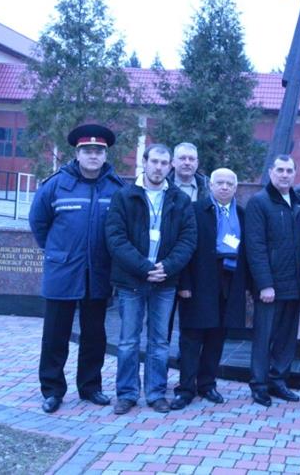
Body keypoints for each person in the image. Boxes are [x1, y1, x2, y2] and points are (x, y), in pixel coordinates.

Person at [29, 124, 125, 414]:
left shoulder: (116, 188)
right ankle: (52, 390)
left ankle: (90, 387)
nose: (93, 155)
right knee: (55, 335)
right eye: (87, 150)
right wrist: (57, 251)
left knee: (94, 335)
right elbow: (39, 223)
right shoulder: (56, 185)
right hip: (63, 272)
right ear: (77, 153)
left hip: (98, 273)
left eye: (98, 151)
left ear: (105, 155)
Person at [105, 143, 197, 415]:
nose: (158, 167)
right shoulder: (124, 196)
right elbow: (115, 238)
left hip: (165, 281)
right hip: (131, 281)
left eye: (164, 163)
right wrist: (145, 268)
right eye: (154, 162)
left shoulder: (179, 199)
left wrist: (166, 267)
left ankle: (156, 393)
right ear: (144, 162)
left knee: (159, 342)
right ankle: (127, 393)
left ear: (171, 166)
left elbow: (188, 240)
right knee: (128, 341)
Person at [170, 168, 249, 410]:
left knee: (217, 336)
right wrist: (184, 283)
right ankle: (186, 388)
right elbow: (183, 247)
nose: (224, 187)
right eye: (220, 183)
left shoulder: (242, 214)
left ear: (235, 187)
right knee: (192, 337)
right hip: (199, 280)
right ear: (210, 186)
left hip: (229, 281)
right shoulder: (195, 210)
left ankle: (207, 384)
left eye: (229, 183)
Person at [246, 154, 300, 406]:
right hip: (270, 286)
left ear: (295, 174)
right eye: (280, 170)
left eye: (289, 170)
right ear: (271, 172)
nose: (284, 175)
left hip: (294, 284)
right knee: (264, 337)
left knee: (286, 337)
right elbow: (255, 247)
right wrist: (265, 284)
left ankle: (278, 380)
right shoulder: (259, 202)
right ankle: (259, 384)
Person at [165, 142, 209, 344]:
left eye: (191, 159)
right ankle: (158, 363)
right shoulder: (161, 185)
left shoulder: (207, 188)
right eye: (182, 158)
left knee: (191, 323)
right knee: (161, 323)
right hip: (166, 260)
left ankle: (186, 361)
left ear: (197, 163)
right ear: (173, 162)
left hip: (197, 263)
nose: (187, 162)